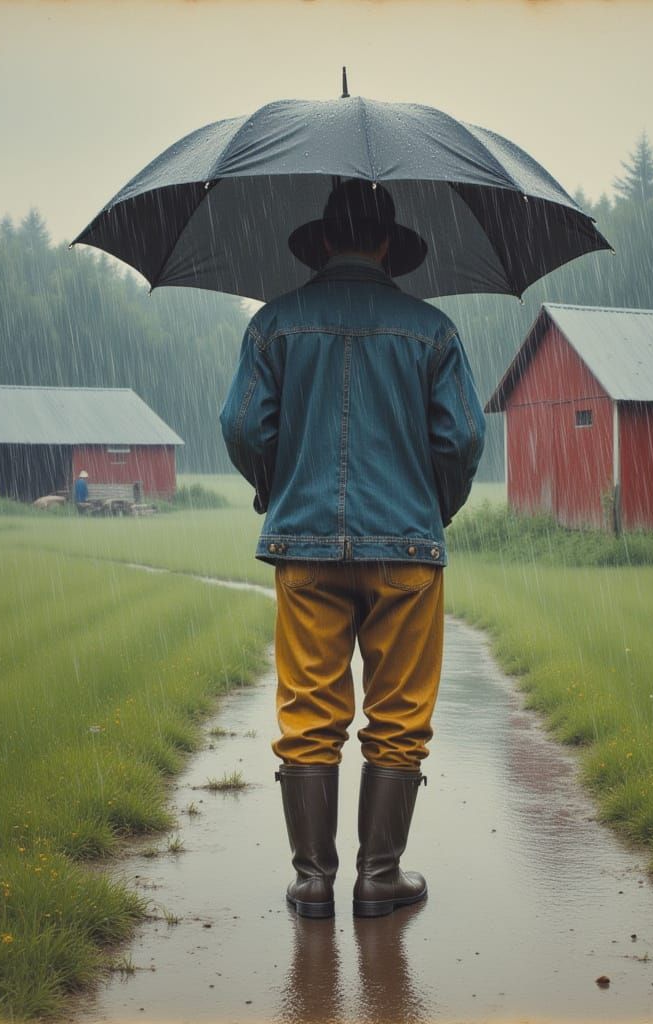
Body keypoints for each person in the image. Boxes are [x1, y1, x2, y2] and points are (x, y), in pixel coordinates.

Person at [219, 179, 485, 919]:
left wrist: (279, 485)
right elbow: (461, 438)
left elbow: (241, 426)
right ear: (389, 247)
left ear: (323, 242)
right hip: (407, 550)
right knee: (399, 714)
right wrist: (437, 506)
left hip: (304, 550)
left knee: (309, 710)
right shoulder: (430, 330)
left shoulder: (274, 325)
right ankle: (379, 877)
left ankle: (312, 881)